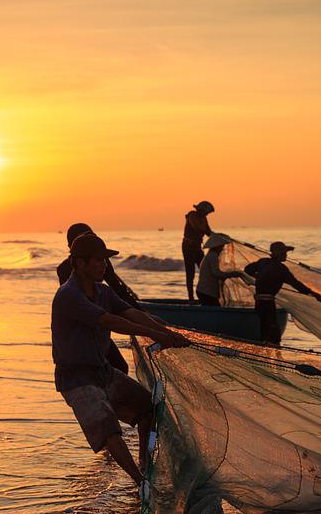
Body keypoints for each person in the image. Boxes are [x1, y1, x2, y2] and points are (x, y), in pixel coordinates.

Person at [52, 232, 190, 485]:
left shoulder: (102, 291)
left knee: (149, 408)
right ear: (80, 263)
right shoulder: (68, 295)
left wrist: (166, 332)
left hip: (102, 371)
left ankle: (144, 465)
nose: (104, 265)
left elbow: (130, 313)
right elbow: (111, 321)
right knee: (109, 431)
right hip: (77, 379)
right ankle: (140, 482)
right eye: (98, 260)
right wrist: (152, 334)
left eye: (105, 260)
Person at [55, 223, 142, 374]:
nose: (103, 263)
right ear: (72, 246)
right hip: (82, 331)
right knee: (111, 367)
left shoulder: (101, 263)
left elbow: (117, 290)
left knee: (120, 367)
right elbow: (79, 307)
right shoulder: (65, 274)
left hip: (100, 326)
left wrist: (139, 311)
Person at [243, 241, 321, 346]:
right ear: (277, 254)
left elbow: (247, 269)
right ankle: (272, 353)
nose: (285, 255)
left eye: (285, 253)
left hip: (259, 303)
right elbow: (296, 284)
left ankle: (266, 350)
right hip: (267, 304)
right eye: (283, 253)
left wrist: (258, 276)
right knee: (273, 333)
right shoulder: (281, 269)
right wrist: (314, 294)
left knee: (265, 329)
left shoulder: (263, 262)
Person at [195, 234, 247, 306]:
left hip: (203, 291)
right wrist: (232, 274)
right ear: (217, 246)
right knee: (215, 310)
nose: (223, 248)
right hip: (206, 292)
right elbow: (216, 273)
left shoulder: (211, 254)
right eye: (221, 246)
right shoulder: (213, 256)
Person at [181, 201, 214, 303]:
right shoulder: (192, 215)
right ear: (202, 210)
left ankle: (205, 296)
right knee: (190, 273)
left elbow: (209, 232)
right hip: (188, 247)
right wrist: (208, 232)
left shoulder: (204, 219)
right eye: (206, 212)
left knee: (205, 270)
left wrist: (219, 237)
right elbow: (197, 228)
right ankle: (191, 299)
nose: (207, 214)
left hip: (197, 247)